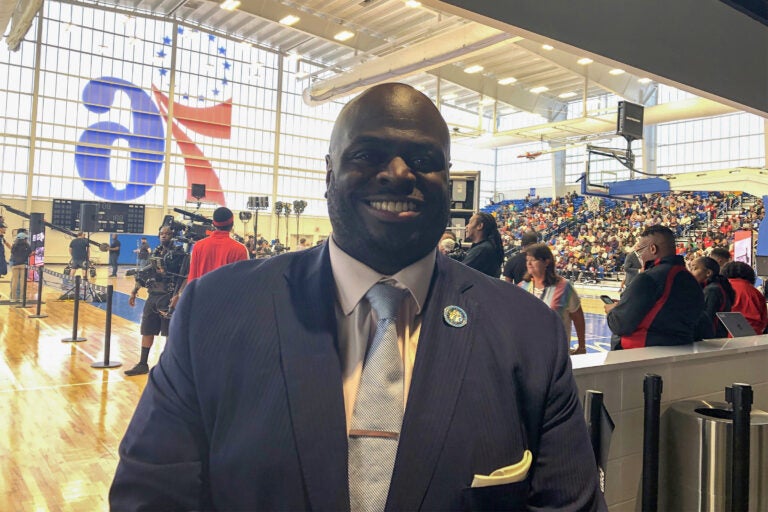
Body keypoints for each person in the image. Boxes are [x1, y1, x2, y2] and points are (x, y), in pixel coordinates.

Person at [111, 83, 604, 510]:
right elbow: (151, 496)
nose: (399, 173)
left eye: (423, 160)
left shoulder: (529, 333)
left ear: (447, 180)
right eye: (368, 154)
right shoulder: (214, 311)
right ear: (329, 173)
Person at [605, 225, 707, 349]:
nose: (641, 257)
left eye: (641, 251)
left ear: (653, 249)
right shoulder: (691, 280)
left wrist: (612, 311)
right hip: (684, 348)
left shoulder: (648, 278)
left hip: (643, 352)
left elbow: (620, 325)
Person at [124, 226, 183, 376]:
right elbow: (145, 273)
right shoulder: (156, 252)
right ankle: (142, 364)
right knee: (147, 330)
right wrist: (134, 291)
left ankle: (168, 366)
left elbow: (185, 276)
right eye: (162, 233)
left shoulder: (179, 254)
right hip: (152, 296)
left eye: (168, 233)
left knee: (169, 333)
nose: (164, 236)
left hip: (168, 296)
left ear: (173, 235)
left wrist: (178, 295)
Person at [519, 243, 587, 355]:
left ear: (546, 262)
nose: (529, 264)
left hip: (556, 354)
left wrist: (582, 346)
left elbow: (578, 317)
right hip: (528, 354)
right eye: (527, 260)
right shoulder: (522, 287)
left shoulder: (564, 288)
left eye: (533, 260)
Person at [185, 207, 248, 282]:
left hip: (202, 289)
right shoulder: (240, 249)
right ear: (232, 225)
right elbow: (242, 281)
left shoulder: (198, 246)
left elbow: (192, 280)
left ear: (214, 224)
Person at [689, 256, 735, 338]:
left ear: (708, 273)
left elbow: (707, 319)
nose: (690, 272)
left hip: (712, 339)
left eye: (694, 269)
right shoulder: (717, 287)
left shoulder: (712, 290)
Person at [721, 261, 768, 335]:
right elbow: (764, 320)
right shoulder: (756, 293)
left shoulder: (723, 288)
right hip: (754, 336)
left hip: (727, 336)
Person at [461, 211, 504, 278]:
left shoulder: (482, 250)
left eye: (470, 222)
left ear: (480, 226)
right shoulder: (484, 247)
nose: (466, 226)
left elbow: (459, 272)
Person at [9, 231, 31, 302]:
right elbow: (29, 253)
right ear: (24, 239)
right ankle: (22, 298)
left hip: (15, 265)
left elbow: (12, 252)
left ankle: (13, 298)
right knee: (22, 282)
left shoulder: (14, 245)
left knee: (14, 282)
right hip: (23, 265)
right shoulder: (26, 245)